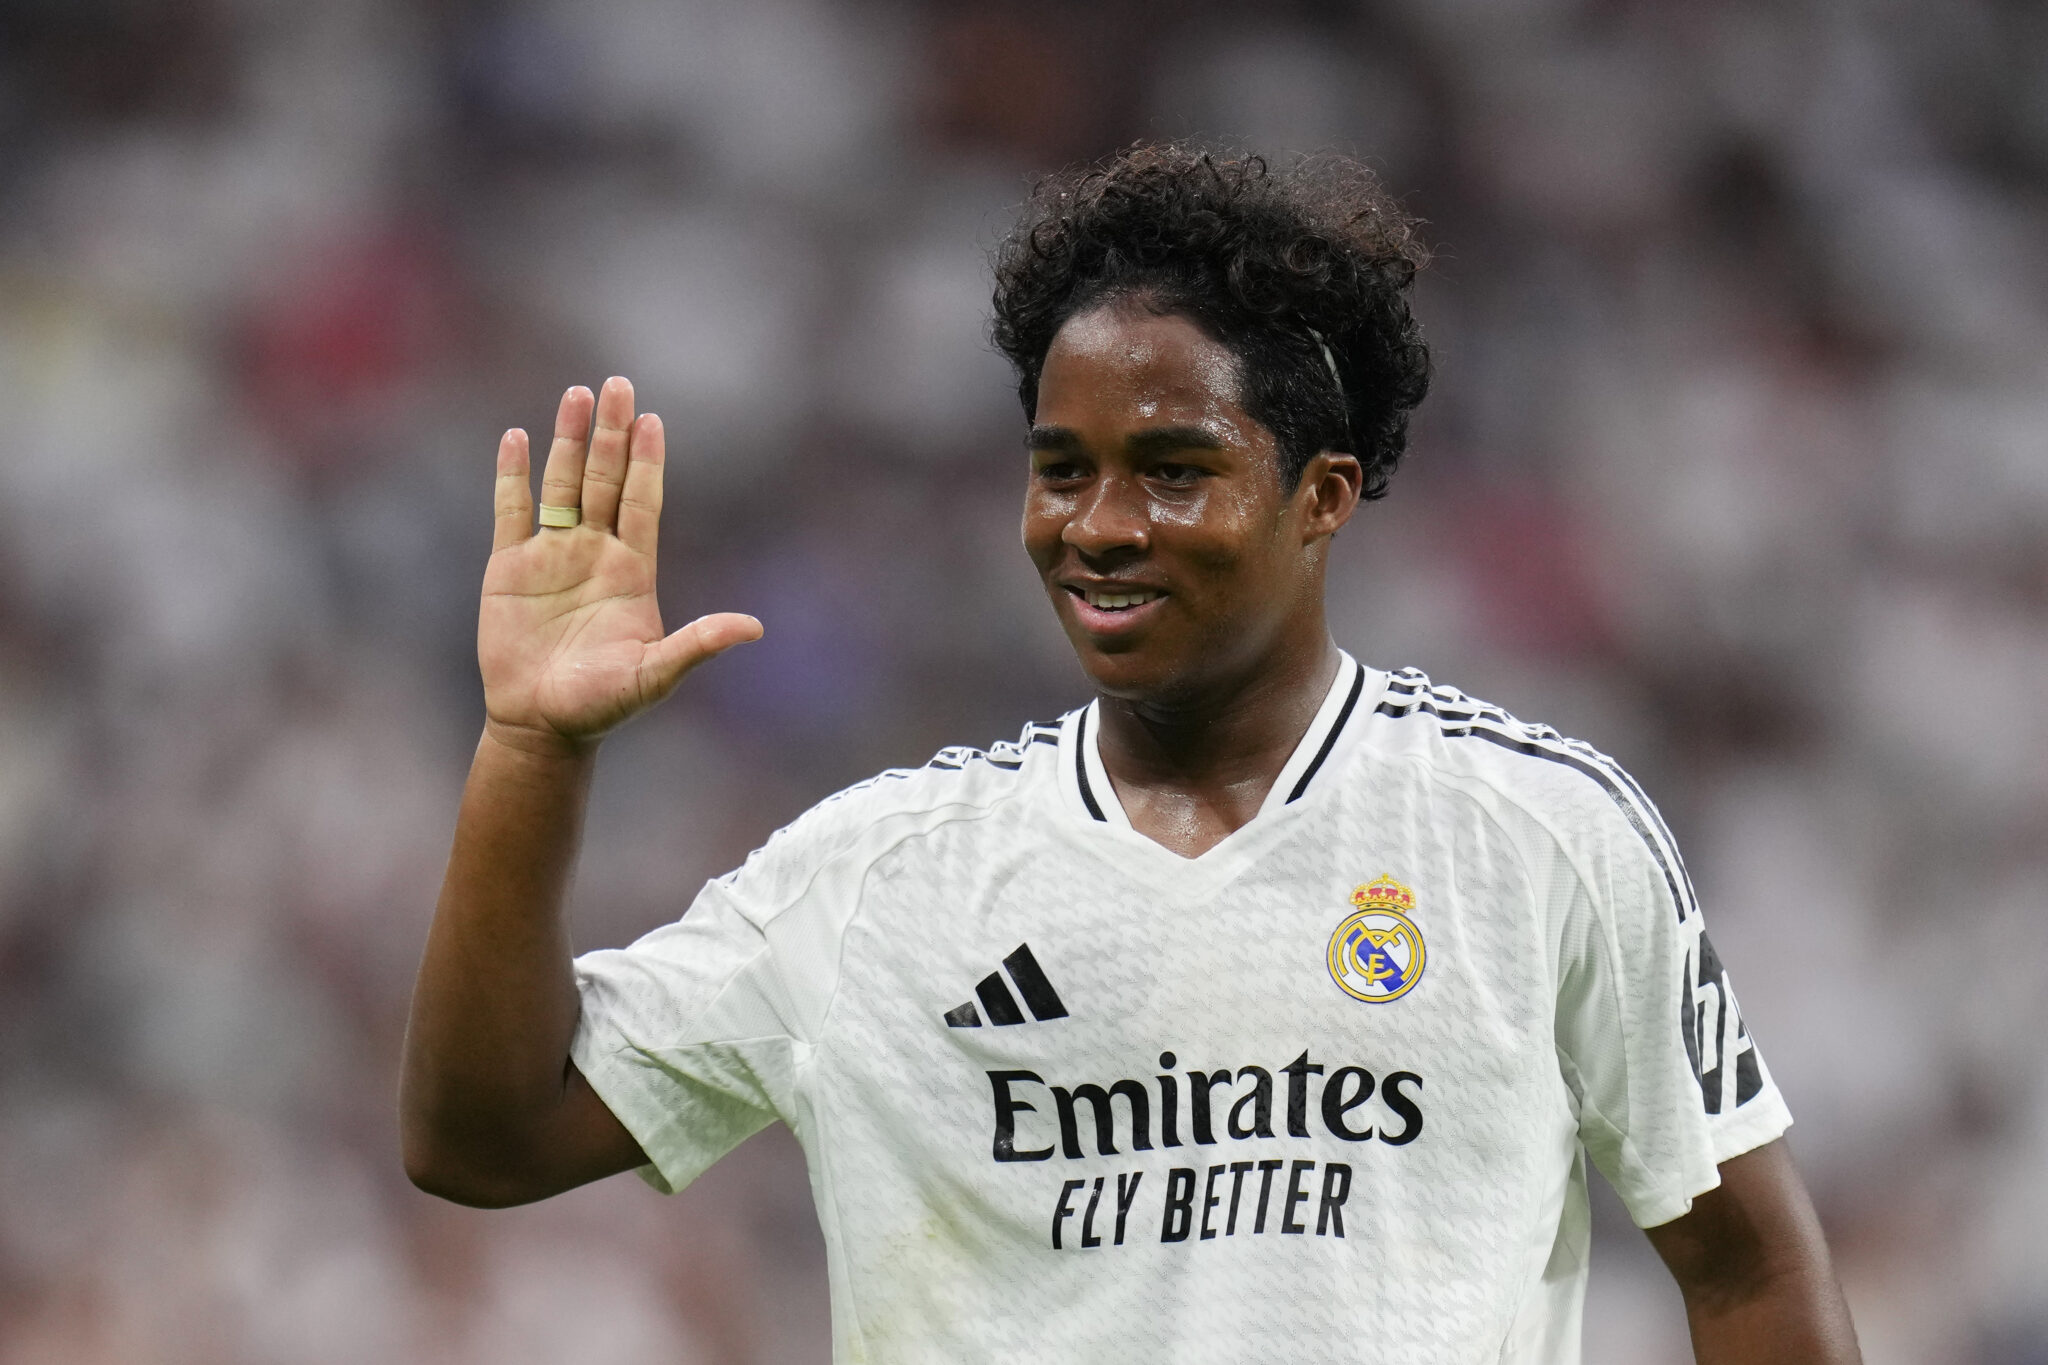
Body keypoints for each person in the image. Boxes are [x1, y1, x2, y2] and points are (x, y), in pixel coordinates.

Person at [400, 145, 1861, 1363]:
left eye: (1173, 471)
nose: (1098, 526)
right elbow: (483, 1138)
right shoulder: (878, 879)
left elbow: (1748, 1270)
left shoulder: (1535, 835)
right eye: (1062, 471)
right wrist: (531, 747)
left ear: (1322, 496)